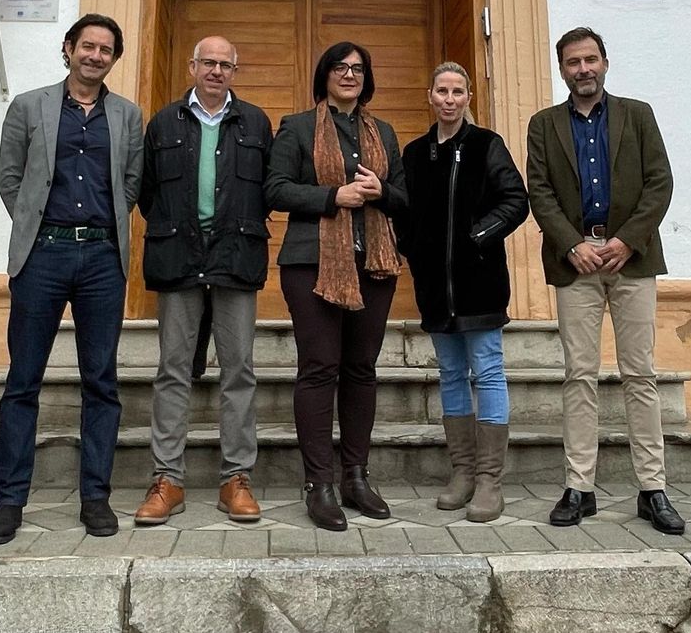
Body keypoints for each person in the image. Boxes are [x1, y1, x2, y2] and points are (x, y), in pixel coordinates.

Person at [0, 13, 144, 545]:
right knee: (23, 381)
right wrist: (35, 223)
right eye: (87, 46)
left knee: (101, 381)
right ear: (68, 48)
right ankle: (10, 502)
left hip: (102, 259)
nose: (95, 56)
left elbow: (130, 184)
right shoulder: (29, 105)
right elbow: (11, 179)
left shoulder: (126, 115)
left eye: (106, 50)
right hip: (43, 256)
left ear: (114, 59)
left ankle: (94, 497)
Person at [525, 27, 685, 535]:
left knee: (640, 375)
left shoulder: (637, 115)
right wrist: (573, 244)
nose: (583, 69)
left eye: (591, 60)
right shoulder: (544, 124)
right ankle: (580, 487)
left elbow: (660, 182)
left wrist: (627, 241)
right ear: (562, 69)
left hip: (630, 261)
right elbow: (540, 190)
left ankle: (653, 489)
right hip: (576, 264)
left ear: (606, 63)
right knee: (579, 376)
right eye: (573, 62)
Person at [265, 41, 408, 531]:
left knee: (361, 369)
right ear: (324, 74)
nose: (349, 75)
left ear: (367, 78)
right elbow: (275, 188)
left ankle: (356, 476)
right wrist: (334, 195)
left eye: (358, 69)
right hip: (312, 266)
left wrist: (380, 192)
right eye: (340, 68)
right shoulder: (298, 127)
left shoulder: (383, 132)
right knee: (320, 368)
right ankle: (318, 484)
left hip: (374, 266)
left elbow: (404, 198)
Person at [134, 35, 272, 526]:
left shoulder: (255, 122)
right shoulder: (163, 122)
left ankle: (236, 479)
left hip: (236, 256)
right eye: (208, 63)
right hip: (178, 256)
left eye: (225, 64)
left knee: (239, 371)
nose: (216, 71)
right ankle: (167, 479)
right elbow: (149, 194)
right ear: (192, 67)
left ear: (235, 71)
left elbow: (266, 193)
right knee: (173, 370)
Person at [400, 62, 529, 523]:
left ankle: (491, 480)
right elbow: (403, 214)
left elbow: (516, 201)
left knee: (489, 373)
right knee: (452, 375)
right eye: (441, 91)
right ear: (429, 96)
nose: (449, 99)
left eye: (458, 91)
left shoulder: (486, 145)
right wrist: (412, 252)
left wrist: (477, 237)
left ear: (468, 97)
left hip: (479, 284)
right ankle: (463, 472)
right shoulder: (414, 154)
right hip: (435, 288)